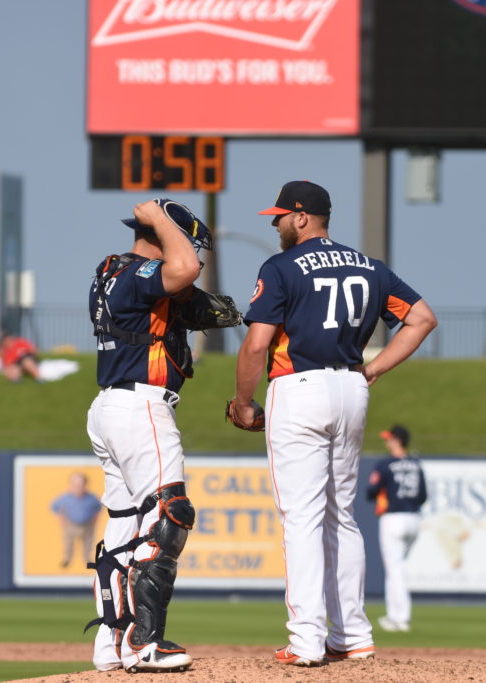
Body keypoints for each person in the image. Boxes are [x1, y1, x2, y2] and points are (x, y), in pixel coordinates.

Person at [230, 180, 437, 667]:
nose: (274, 223)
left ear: (302, 217)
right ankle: (353, 635)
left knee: (301, 518)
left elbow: (257, 344)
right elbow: (423, 318)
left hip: (298, 387)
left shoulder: (281, 265)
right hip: (350, 386)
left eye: (280, 215)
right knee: (340, 515)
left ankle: (305, 640)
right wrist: (374, 369)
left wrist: (243, 401)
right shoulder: (369, 266)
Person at [84, 198, 211, 674]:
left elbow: (173, 290)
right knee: (168, 515)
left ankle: (111, 645)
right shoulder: (139, 272)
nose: (194, 251)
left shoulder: (111, 270)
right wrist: (161, 220)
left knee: (123, 528)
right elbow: (184, 269)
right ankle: (144, 642)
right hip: (140, 407)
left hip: (110, 408)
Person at [366, 425, 427, 633]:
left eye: (389, 438)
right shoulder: (416, 464)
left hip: (393, 519)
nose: (386, 441)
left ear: (397, 440)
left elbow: (371, 491)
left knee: (395, 569)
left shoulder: (385, 464)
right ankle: (397, 615)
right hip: (414, 519)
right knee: (398, 567)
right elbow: (423, 496)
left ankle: (399, 617)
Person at [51, 471, 103, 569]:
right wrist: (61, 518)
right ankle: (67, 559)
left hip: (87, 525)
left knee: (88, 544)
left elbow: (98, 508)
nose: (78, 487)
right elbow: (55, 507)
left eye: (81, 485)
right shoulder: (65, 498)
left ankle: (87, 560)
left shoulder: (91, 497)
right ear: (71, 485)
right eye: (75, 485)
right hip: (71, 524)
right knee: (68, 544)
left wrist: (95, 520)